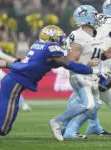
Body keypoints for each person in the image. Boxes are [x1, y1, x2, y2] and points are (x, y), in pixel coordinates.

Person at [0, 25, 103, 136]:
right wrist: (92, 70)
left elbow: (54, 62)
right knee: (2, 129)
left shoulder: (38, 44)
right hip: (15, 83)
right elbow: (68, 64)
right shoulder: (51, 50)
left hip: (11, 79)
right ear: (52, 39)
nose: (61, 41)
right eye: (59, 38)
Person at [49, 5, 110, 141]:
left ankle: (67, 129)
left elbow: (96, 54)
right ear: (86, 18)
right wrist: (88, 65)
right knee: (88, 104)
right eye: (94, 16)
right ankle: (57, 122)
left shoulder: (91, 34)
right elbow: (71, 63)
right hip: (80, 76)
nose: (97, 18)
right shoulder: (78, 36)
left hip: (91, 75)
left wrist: (104, 56)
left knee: (95, 104)